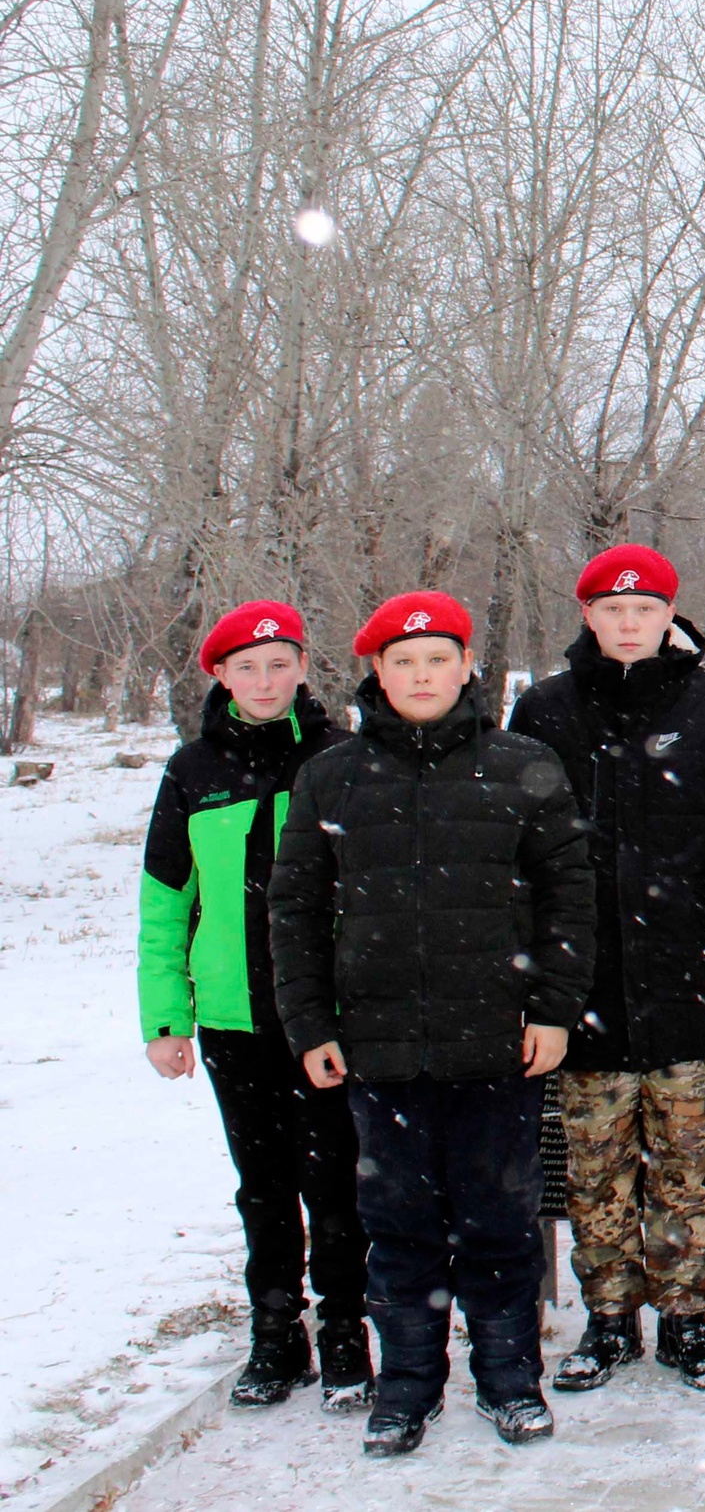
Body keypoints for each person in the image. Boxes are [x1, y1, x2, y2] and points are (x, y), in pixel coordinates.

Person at [267, 591, 594, 1457]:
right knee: (398, 1228)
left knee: (497, 1220)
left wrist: (554, 1010)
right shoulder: (332, 775)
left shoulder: (521, 764)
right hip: (379, 1052)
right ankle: (406, 1386)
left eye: (437, 660)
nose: (421, 676)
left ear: (465, 668)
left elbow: (570, 898)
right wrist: (309, 1025)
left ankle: (508, 1379)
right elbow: (294, 910)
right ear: (377, 671)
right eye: (404, 663)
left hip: (497, 1043)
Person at [506, 544, 705, 1394]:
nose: (629, 623)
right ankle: (610, 1317)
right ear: (588, 615)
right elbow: (515, 855)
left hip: (688, 976)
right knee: (595, 1168)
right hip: (583, 983)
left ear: (670, 615)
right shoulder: (545, 710)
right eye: (612, 609)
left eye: (645, 609)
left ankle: (688, 1321)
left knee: (689, 1166)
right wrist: (536, 976)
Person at [138, 601, 368, 1411]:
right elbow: (166, 903)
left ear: (304, 666)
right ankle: (277, 1334)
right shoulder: (192, 770)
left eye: (279, 664)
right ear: (222, 677)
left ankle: (346, 1329)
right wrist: (166, 1018)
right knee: (263, 1183)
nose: (265, 681)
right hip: (234, 1019)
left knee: (336, 1180)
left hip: (328, 1019)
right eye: (246, 667)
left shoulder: (342, 757)